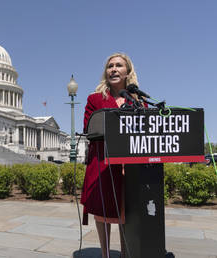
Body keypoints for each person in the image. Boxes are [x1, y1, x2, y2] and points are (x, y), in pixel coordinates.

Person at [81, 53, 140, 258]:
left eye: (119, 65)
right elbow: (89, 128)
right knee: (103, 212)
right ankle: (105, 254)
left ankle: (125, 254)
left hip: (129, 166)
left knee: (127, 213)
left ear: (128, 71)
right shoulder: (95, 99)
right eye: (110, 66)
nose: (113, 69)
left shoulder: (138, 101)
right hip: (103, 164)